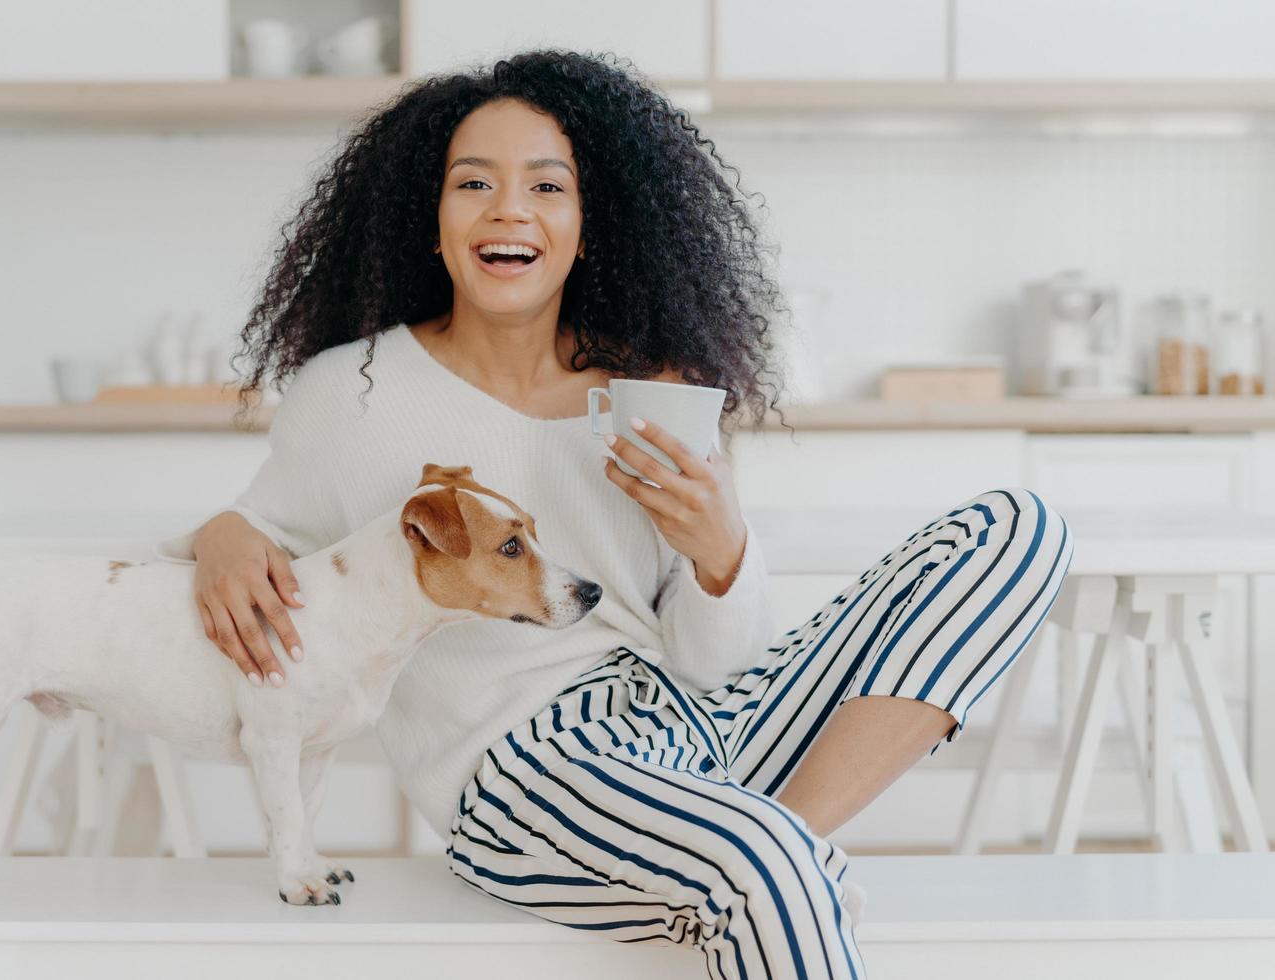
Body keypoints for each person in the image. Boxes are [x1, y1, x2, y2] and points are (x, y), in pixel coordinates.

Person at [154, 50, 1074, 978]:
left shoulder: (653, 392)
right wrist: (217, 535)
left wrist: (720, 549)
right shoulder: (351, 392)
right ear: (428, 222)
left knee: (1019, 528)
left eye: (547, 186)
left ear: (588, 228)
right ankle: (759, 862)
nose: (509, 208)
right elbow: (261, 538)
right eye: (473, 182)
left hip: (694, 731)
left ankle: (767, 849)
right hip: (523, 775)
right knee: (762, 863)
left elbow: (720, 664)